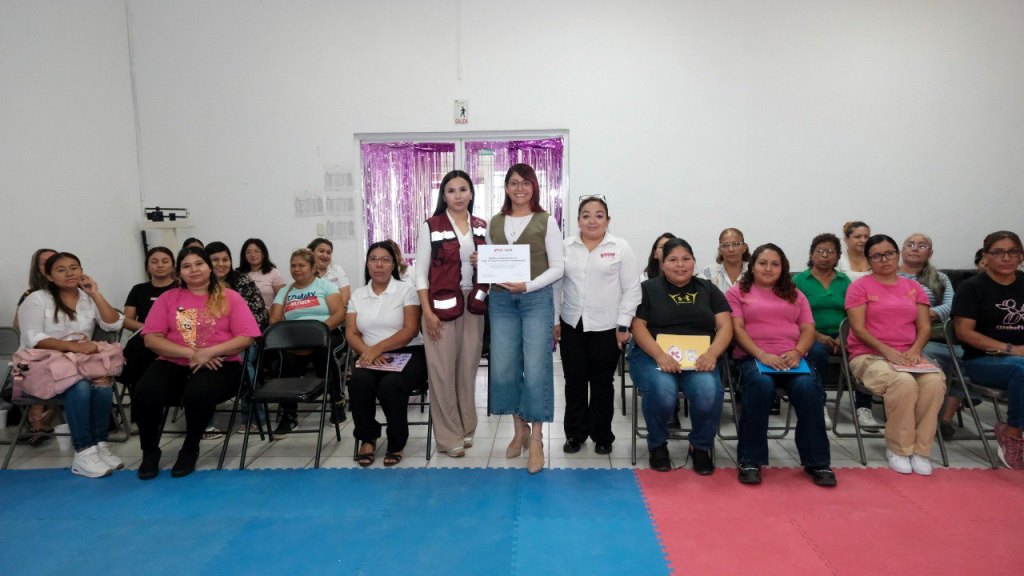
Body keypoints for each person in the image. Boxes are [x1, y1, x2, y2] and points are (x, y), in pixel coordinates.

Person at [133, 247, 261, 479]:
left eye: (199, 264)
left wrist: (210, 352)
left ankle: (190, 449)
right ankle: (150, 451)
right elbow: (151, 339)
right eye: (186, 266)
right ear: (178, 272)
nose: (194, 269)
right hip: (174, 360)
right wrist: (193, 353)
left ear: (209, 268)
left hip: (222, 363)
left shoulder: (230, 297)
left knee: (198, 392)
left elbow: (246, 337)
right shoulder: (167, 298)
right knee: (144, 392)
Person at [727, 243, 835, 487]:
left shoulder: (796, 294)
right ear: (752, 266)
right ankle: (750, 460)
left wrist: (798, 352)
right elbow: (737, 329)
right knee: (761, 385)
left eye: (774, 264)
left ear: (783, 268)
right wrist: (762, 354)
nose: (768, 268)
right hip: (753, 358)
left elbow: (808, 329)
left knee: (808, 388)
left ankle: (817, 461)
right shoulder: (737, 293)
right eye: (762, 263)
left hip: (791, 358)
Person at [16, 252, 124, 478]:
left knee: (103, 383)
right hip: (42, 366)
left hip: (79, 365)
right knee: (80, 386)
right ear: (49, 276)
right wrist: (73, 347)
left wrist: (95, 293)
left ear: (82, 270)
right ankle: (83, 451)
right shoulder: (38, 299)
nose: (69, 273)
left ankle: (99, 445)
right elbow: (33, 337)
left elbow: (112, 324)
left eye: (74, 267)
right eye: (61, 269)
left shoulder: (86, 298)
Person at [845, 234, 946, 476]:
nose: (884, 259)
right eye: (876, 256)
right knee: (903, 382)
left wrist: (915, 350)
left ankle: (921, 451)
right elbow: (858, 328)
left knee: (935, 381)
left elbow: (924, 327)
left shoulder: (914, 288)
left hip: (909, 355)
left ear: (897, 254)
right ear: (869, 260)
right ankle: (899, 449)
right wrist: (887, 351)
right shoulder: (859, 287)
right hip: (869, 355)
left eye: (889, 253)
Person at [487, 163, 564, 474]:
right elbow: (492, 263)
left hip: (535, 300)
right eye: (513, 183)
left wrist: (528, 286)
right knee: (504, 367)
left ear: (534, 187)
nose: (519, 188)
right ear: (506, 187)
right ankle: (518, 427)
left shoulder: (546, 221)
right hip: (501, 300)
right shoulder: (495, 222)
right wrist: (481, 261)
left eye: (525, 183)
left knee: (535, 368)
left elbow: (558, 267)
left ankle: (536, 439)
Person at [628, 238, 729, 474]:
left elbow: (725, 326)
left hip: (699, 358)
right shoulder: (648, 289)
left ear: (694, 261)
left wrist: (712, 353)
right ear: (662, 263)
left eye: (686, 259)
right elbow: (638, 326)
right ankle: (657, 444)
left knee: (708, 390)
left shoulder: (708, 289)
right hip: (653, 355)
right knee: (663, 389)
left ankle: (700, 447)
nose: (680, 265)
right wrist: (660, 355)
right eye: (673, 260)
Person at [555, 196, 641, 455]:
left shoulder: (620, 247)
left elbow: (632, 290)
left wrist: (623, 325)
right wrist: (554, 320)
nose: (592, 220)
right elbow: (556, 286)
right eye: (586, 215)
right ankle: (575, 434)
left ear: (607, 219)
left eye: (599, 215)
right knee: (574, 382)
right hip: (572, 323)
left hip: (607, 326)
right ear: (578, 220)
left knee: (602, 383)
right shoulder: (565, 247)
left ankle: (603, 436)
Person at [414, 170, 488, 458]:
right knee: (442, 373)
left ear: (471, 193)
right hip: (439, 307)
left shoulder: (481, 226)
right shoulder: (431, 226)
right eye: (451, 190)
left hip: (474, 305)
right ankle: (447, 436)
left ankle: (466, 427)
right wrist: (427, 312)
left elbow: (495, 269)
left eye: (463, 189)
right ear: (443, 196)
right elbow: (420, 274)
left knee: (467, 370)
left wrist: (484, 262)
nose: (458, 195)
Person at [347, 242, 426, 467]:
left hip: (408, 352)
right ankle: (367, 438)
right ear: (367, 264)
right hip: (369, 354)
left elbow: (410, 330)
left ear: (394, 264)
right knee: (358, 383)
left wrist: (378, 349)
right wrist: (368, 352)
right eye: (373, 259)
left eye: (385, 260)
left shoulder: (406, 290)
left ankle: (396, 442)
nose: (379, 265)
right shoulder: (358, 295)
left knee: (390, 386)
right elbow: (351, 333)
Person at [951, 230, 1024, 469]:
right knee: (1021, 369)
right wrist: (1011, 349)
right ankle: (1012, 434)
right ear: (986, 256)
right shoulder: (972, 287)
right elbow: (964, 332)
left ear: (1021, 256)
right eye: (998, 252)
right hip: (982, 361)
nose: (1006, 258)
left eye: (1013, 252)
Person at [269, 248, 347, 436]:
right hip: (294, 340)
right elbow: (274, 319)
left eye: (301, 265)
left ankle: (336, 402)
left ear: (313, 268)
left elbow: (339, 313)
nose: (296, 269)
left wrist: (317, 334)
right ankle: (289, 414)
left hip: (326, 334)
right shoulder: (286, 291)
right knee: (285, 359)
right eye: (293, 266)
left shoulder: (325, 286)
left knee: (324, 352)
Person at [897, 233, 962, 440]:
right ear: (902, 251)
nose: (915, 248)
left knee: (964, 358)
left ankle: (944, 419)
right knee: (926, 359)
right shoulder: (891, 275)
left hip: (935, 333)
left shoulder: (940, 278)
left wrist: (928, 314)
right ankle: (918, 417)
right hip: (902, 335)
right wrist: (913, 316)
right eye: (910, 244)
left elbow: (952, 305)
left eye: (922, 245)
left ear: (930, 253)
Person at [792, 234, 851, 412]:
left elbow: (853, 314)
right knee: (817, 352)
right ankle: (819, 403)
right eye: (820, 251)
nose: (825, 255)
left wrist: (843, 338)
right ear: (811, 254)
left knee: (864, 350)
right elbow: (792, 316)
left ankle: (863, 406)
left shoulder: (844, 281)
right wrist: (817, 336)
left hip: (842, 335)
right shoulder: (799, 280)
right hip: (810, 334)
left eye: (830, 251)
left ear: (838, 256)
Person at [120, 247, 178, 423]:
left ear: (173, 266)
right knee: (137, 352)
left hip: (173, 338)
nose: (160, 265)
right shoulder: (138, 289)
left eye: (165, 261)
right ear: (147, 266)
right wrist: (150, 329)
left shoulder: (180, 289)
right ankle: (141, 416)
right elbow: (127, 320)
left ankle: (153, 410)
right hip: (144, 337)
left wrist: (161, 331)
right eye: (154, 261)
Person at [12, 247, 58, 444]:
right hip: (38, 347)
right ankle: (38, 419)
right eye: (44, 262)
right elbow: (18, 323)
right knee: (37, 365)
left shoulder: (73, 291)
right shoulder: (31, 294)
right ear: (38, 269)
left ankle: (43, 417)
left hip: (64, 348)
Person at [836, 221, 878, 429]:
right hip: (844, 318)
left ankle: (864, 406)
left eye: (866, 236)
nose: (863, 240)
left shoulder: (876, 260)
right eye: (858, 236)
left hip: (872, 319)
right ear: (846, 239)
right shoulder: (838, 262)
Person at [238, 238, 286, 310]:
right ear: (244, 255)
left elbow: (282, 301)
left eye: (257, 251)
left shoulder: (274, 273)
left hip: (269, 315)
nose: (253, 255)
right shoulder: (238, 274)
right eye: (248, 252)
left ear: (263, 254)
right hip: (242, 315)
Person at [699, 228, 749, 293]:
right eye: (725, 245)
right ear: (720, 250)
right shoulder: (708, 272)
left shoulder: (752, 271)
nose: (731, 249)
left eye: (736, 244)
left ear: (744, 248)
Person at [308, 237, 352, 308]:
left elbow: (346, 297)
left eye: (328, 253)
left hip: (337, 311)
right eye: (321, 251)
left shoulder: (337, 269)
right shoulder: (304, 271)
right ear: (311, 253)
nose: (325, 255)